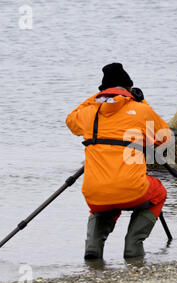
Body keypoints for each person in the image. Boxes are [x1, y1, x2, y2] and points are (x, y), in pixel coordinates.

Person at [66, 63, 171, 259]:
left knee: (104, 203)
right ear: (129, 89)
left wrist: (96, 98)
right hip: (133, 190)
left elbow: (70, 121)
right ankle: (133, 245)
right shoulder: (140, 110)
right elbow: (164, 138)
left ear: (103, 91)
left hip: (94, 193)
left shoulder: (89, 112)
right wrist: (141, 102)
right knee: (159, 192)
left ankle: (93, 249)